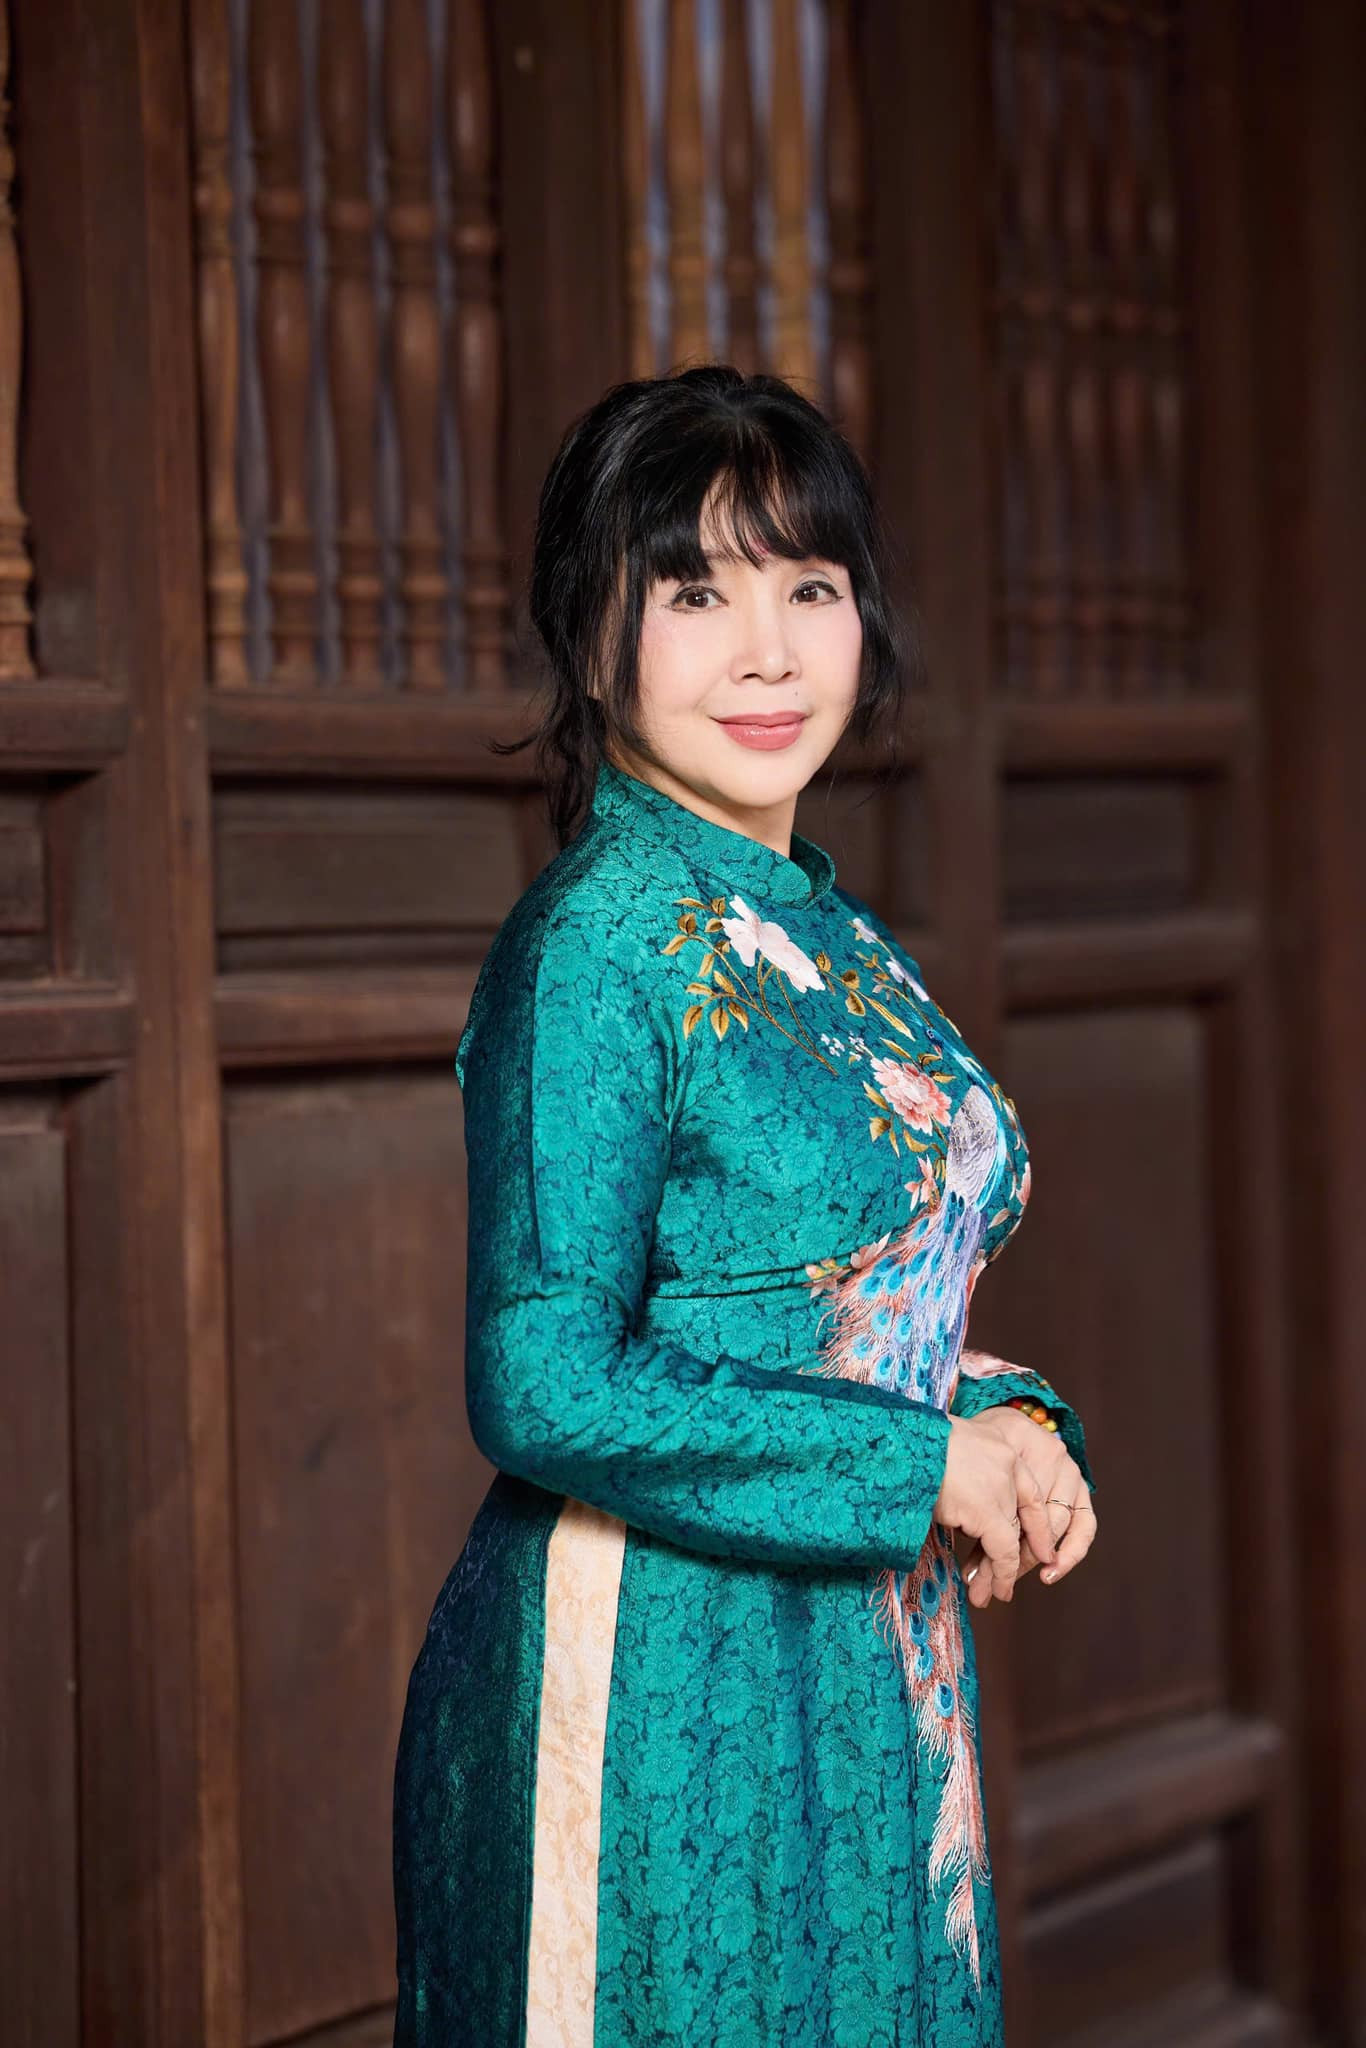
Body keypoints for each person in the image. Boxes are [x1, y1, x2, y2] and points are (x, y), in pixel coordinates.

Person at [391, 363, 1098, 2047]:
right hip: (659, 1676)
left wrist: (1002, 1418)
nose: (768, 653)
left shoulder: (821, 930)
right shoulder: (597, 946)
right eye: (695, 594)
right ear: (589, 637)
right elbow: (545, 1378)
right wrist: (919, 1464)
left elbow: (813, 1309)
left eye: (810, 588)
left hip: (862, 1659)